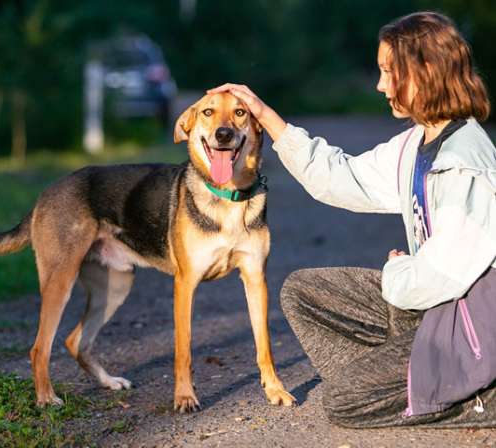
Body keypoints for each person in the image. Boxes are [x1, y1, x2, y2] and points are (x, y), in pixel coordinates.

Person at [208, 11, 496, 428]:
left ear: (426, 71)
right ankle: (404, 379)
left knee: (343, 402)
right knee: (302, 292)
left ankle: (479, 396)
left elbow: (443, 274)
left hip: (471, 330)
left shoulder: (466, 165)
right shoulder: (418, 141)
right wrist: (267, 118)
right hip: (429, 308)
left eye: (388, 72)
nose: (380, 85)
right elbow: (346, 178)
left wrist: (399, 270)